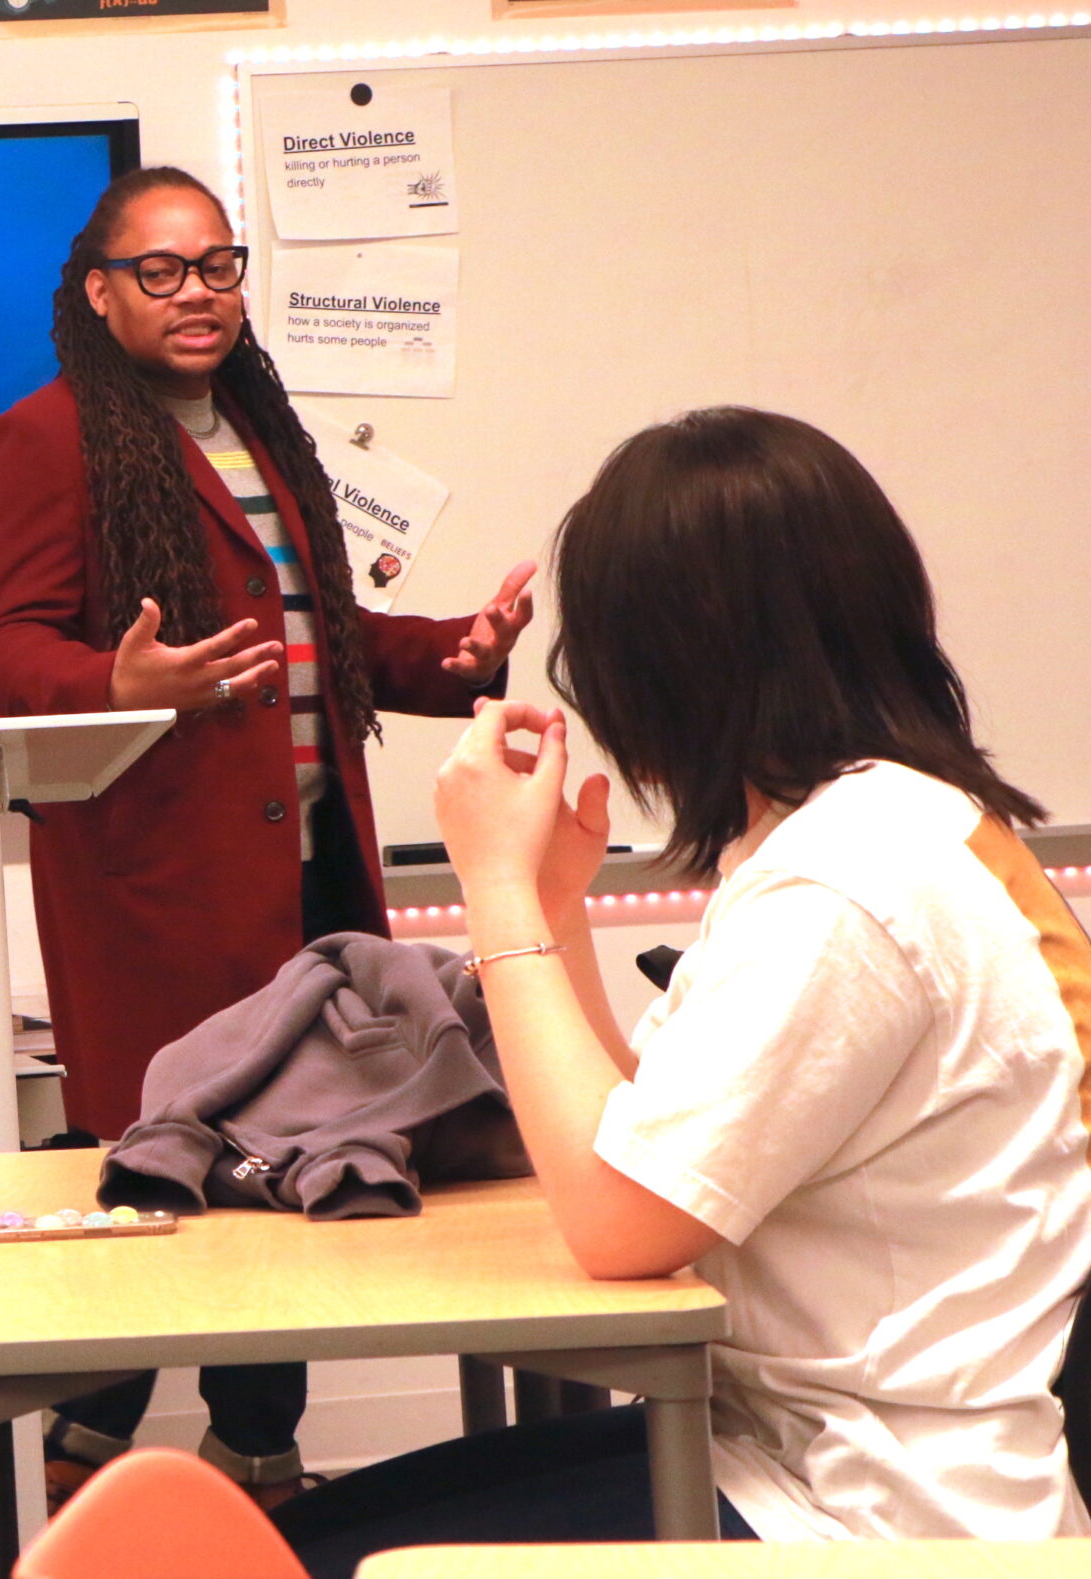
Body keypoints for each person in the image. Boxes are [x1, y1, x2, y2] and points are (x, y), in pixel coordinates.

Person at [272, 408, 1091, 1575]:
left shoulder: (847, 881)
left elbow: (617, 1227)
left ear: (665, 662)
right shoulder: (876, 827)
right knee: (286, 1537)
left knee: (302, 1559)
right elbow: (646, 1131)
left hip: (874, 1505)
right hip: (791, 1443)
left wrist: (492, 890)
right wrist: (552, 907)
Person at [0, 164, 536, 1505]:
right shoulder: (41, 441)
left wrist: (457, 654)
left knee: (277, 1191)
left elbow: (315, 643)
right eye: (160, 270)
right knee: (165, 1197)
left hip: (305, 894)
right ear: (99, 294)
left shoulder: (263, 433)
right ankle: (94, 1484)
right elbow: (9, 653)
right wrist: (119, 683)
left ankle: (246, 1475)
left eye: (217, 265)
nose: (198, 293)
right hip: (157, 900)